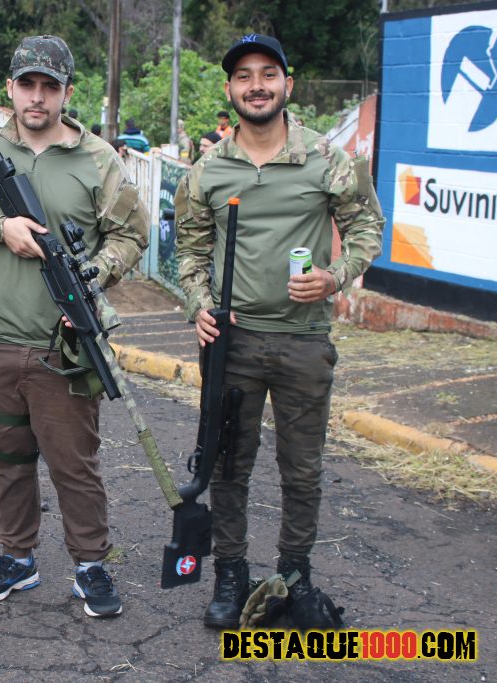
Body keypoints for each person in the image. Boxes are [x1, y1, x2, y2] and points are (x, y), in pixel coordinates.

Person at [174, 33, 385, 629]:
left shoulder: (326, 158)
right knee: (227, 466)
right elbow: (190, 251)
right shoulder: (209, 169)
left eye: (268, 73)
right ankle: (231, 576)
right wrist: (199, 304)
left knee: (302, 469)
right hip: (232, 343)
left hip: (303, 341)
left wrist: (334, 276)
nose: (257, 85)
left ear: (287, 85)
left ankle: (294, 578)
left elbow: (368, 228)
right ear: (230, 89)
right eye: (244, 76)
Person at [0, 35, 148, 618]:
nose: (37, 97)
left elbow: (131, 234)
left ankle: (91, 564)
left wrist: (93, 274)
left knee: (74, 464)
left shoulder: (98, 158)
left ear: (66, 92)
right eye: (27, 84)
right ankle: (17, 558)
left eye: (49, 87)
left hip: (64, 345)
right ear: (10, 88)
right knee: (7, 461)